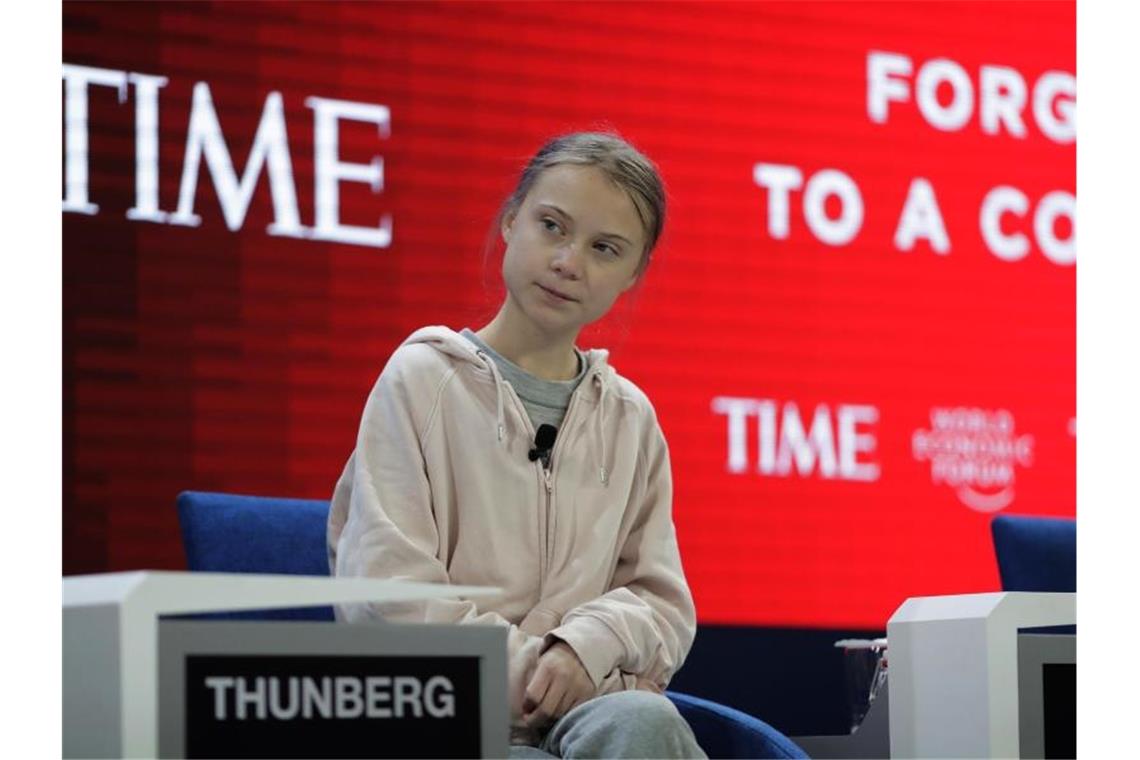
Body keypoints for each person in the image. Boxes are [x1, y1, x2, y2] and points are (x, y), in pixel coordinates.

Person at [328, 131, 705, 758]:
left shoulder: (630, 418)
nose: (568, 262)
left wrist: (590, 645)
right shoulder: (421, 381)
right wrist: (549, 674)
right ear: (511, 220)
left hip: (585, 709)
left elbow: (659, 602)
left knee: (648, 726)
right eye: (552, 227)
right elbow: (388, 602)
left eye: (604, 248)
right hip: (443, 716)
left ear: (632, 273)